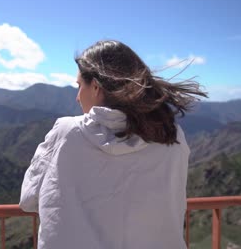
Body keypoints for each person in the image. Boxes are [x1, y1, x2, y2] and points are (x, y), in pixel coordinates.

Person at [19, 40, 207, 249]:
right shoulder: (171, 136)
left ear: (97, 87)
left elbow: (29, 199)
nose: (77, 97)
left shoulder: (66, 132)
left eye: (80, 86)